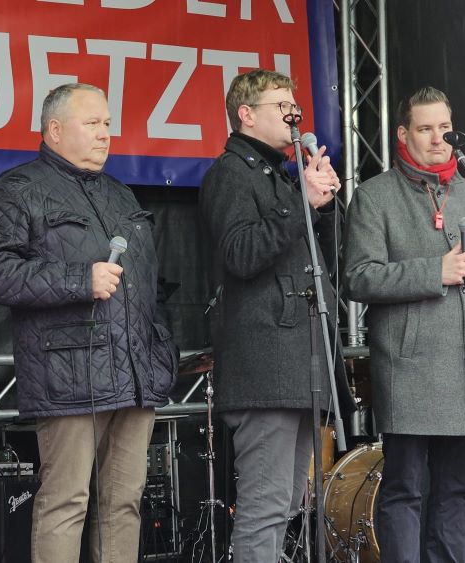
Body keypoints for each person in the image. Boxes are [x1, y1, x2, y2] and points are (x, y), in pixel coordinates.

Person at [0, 83, 178, 563]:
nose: (105, 134)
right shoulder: (18, 189)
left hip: (134, 374)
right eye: (93, 124)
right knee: (67, 501)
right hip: (68, 375)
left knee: (123, 502)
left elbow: (148, 286)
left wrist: (159, 350)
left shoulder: (121, 194)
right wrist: (76, 280)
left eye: (107, 124)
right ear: (55, 129)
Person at [344, 86, 465, 562]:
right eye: (426, 128)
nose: (439, 138)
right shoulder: (374, 196)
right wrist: (432, 272)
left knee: (459, 491)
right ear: (403, 133)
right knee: (405, 490)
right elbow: (357, 277)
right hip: (410, 369)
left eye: (445, 128)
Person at [198, 69, 347, 562]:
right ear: (246, 114)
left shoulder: (278, 177)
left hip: (297, 360)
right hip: (265, 366)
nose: (293, 112)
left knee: (287, 502)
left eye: (294, 102)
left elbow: (324, 264)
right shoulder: (230, 173)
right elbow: (240, 253)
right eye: (280, 103)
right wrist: (298, 201)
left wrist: (321, 208)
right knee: (265, 506)